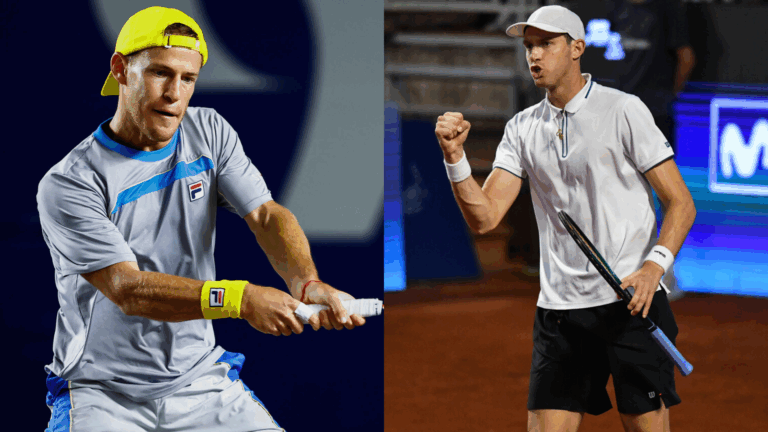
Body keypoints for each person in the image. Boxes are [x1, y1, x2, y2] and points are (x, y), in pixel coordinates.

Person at [38, 7, 365, 432]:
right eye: (160, 73)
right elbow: (127, 288)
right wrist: (239, 299)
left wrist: (306, 282)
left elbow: (266, 215)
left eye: (188, 78)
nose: (174, 93)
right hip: (101, 393)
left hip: (200, 382)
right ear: (120, 69)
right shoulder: (70, 182)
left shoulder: (209, 130)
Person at [434, 5, 696, 432]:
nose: (534, 55)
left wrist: (655, 268)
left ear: (577, 48)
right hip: (559, 312)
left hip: (630, 303)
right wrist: (455, 158)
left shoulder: (623, 110)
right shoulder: (521, 128)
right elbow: (485, 218)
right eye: (529, 46)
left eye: (546, 44)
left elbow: (681, 202)